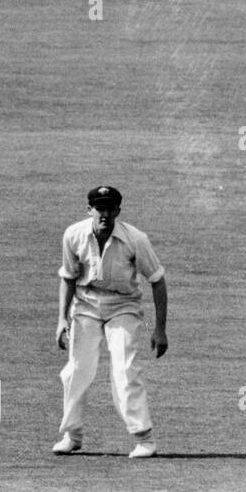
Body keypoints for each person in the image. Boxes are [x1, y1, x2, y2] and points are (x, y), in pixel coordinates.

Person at [53, 185, 168, 458]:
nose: (104, 214)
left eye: (110, 208)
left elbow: (157, 280)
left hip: (123, 306)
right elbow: (68, 277)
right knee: (76, 370)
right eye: (99, 208)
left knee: (125, 368)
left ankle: (144, 439)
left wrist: (160, 330)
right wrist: (61, 319)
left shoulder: (135, 239)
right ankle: (72, 435)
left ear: (118, 210)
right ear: (89, 209)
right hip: (86, 304)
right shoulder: (73, 234)